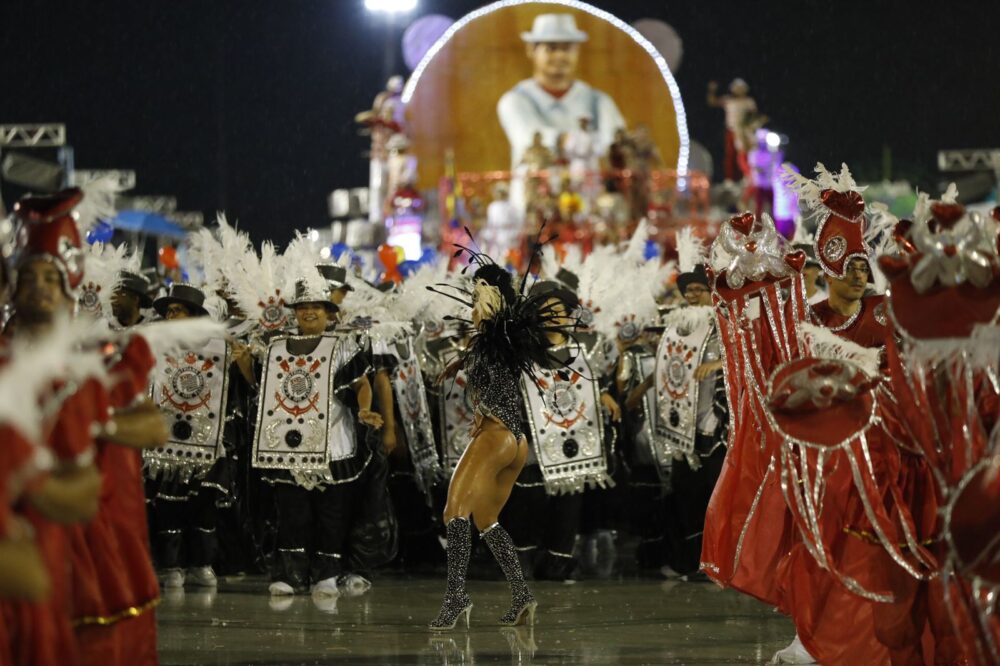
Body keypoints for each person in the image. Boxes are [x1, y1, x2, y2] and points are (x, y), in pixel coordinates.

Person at [252, 277, 383, 597]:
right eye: (303, 307)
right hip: (285, 442)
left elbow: (362, 384)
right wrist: (245, 365)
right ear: (294, 313)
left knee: (331, 511)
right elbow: (263, 390)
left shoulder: (343, 344)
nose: (309, 312)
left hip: (334, 442)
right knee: (292, 510)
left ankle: (327, 574)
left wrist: (365, 410)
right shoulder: (275, 346)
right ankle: (291, 574)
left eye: (316, 307)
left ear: (328, 313)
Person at [497, 14, 625, 170]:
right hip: (535, 191)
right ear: (531, 50)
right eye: (551, 48)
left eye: (567, 48)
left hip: (587, 192)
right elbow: (528, 139)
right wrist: (570, 141)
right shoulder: (515, 100)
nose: (560, 55)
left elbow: (616, 145)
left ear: (577, 51)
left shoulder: (598, 101)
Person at [706, 78, 757, 183]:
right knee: (730, 155)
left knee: (745, 154)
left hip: (744, 131)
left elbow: (754, 116)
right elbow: (712, 102)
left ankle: (746, 177)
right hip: (731, 131)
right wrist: (711, 90)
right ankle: (730, 179)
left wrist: (749, 127)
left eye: (741, 88)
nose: (738, 90)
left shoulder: (748, 101)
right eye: (737, 88)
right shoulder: (728, 100)